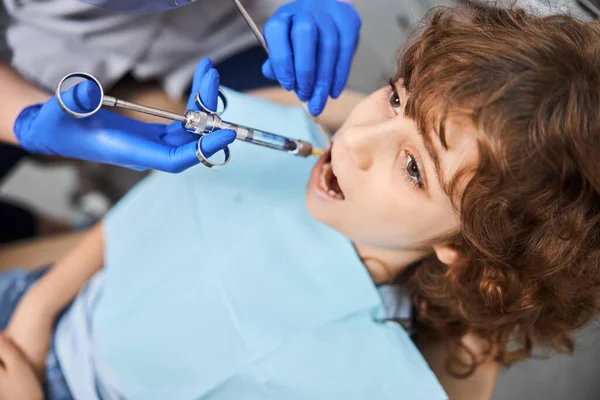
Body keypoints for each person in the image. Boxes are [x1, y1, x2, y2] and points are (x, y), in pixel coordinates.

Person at [2, 3, 600, 399]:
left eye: (415, 168)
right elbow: (138, 223)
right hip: (41, 303)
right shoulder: (269, 142)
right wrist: (34, 315)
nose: (358, 139)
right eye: (395, 99)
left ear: (459, 247)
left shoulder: (361, 372)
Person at [0, 0, 362, 241]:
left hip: (205, 32)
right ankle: (62, 236)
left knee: (280, 163)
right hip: (48, 43)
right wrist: (22, 117)